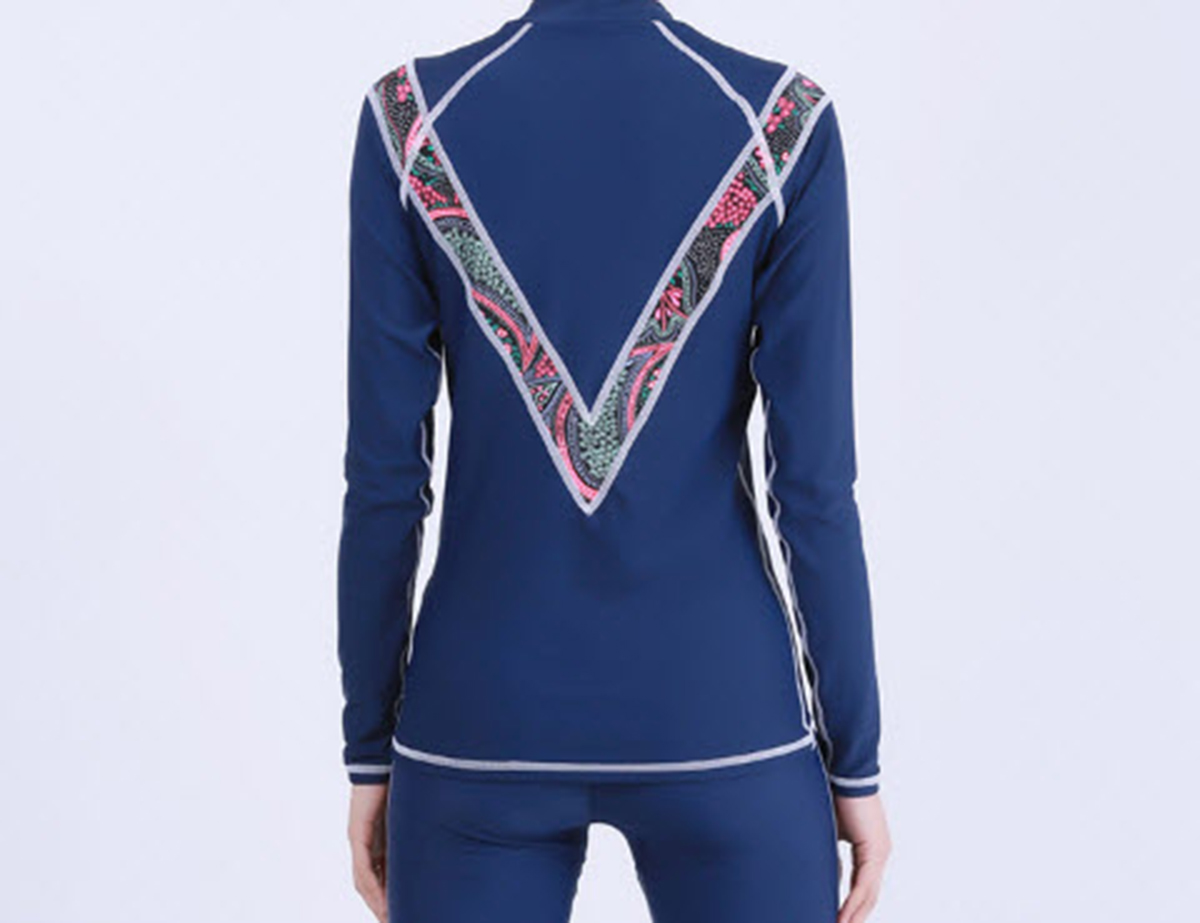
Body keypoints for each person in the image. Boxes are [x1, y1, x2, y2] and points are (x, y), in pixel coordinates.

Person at [336, 1, 891, 921]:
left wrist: (368, 749)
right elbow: (816, 489)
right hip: (721, 720)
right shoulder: (781, 122)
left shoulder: (411, 118)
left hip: (480, 720)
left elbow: (385, 483)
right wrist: (855, 762)